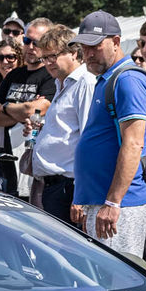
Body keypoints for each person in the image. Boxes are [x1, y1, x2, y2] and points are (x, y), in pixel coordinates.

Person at [69, 11, 146, 256]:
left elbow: (134, 144)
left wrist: (113, 202)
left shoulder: (127, 80)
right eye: (84, 47)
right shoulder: (108, 78)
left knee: (118, 277)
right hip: (107, 203)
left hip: (120, 205)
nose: (88, 53)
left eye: (94, 46)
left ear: (116, 42)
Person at [27, 25, 90, 223]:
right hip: (53, 185)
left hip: (69, 188)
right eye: (44, 58)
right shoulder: (61, 83)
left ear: (74, 53)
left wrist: (82, 194)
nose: (48, 63)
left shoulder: (85, 83)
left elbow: (88, 139)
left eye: (53, 56)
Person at [0, 19, 57, 194]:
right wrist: (21, 112)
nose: (30, 47)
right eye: (27, 41)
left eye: (37, 43)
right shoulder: (14, 75)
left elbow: (35, 110)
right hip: (5, 161)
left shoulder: (51, 75)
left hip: (34, 163)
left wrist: (6, 107)